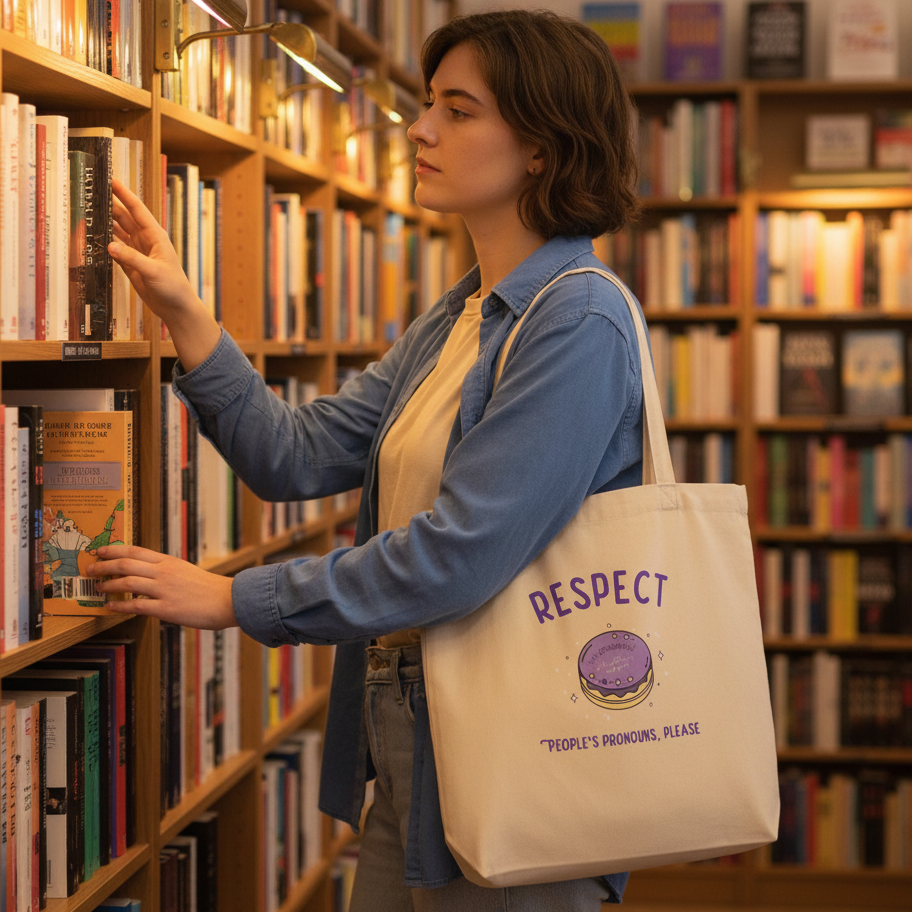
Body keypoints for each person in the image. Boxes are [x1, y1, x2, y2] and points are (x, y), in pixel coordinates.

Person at [88, 8, 643, 909]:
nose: (419, 129)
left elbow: (458, 556)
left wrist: (237, 599)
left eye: (458, 111)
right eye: (429, 104)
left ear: (541, 146)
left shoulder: (576, 322)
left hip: (519, 740)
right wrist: (186, 312)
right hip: (411, 735)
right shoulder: (458, 317)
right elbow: (294, 456)